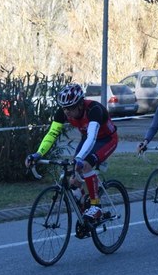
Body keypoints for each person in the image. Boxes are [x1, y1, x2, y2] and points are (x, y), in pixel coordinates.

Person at [25, 83, 118, 228]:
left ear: (80, 104)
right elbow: (52, 134)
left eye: (70, 108)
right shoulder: (63, 112)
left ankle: (96, 206)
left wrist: (80, 159)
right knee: (71, 179)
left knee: (85, 165)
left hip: (106, 140)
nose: (66, 112)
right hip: (86, 139)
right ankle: (84, 209)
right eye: (64, 108)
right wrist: (38, 153)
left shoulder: (94, 109)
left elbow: (92, 137)